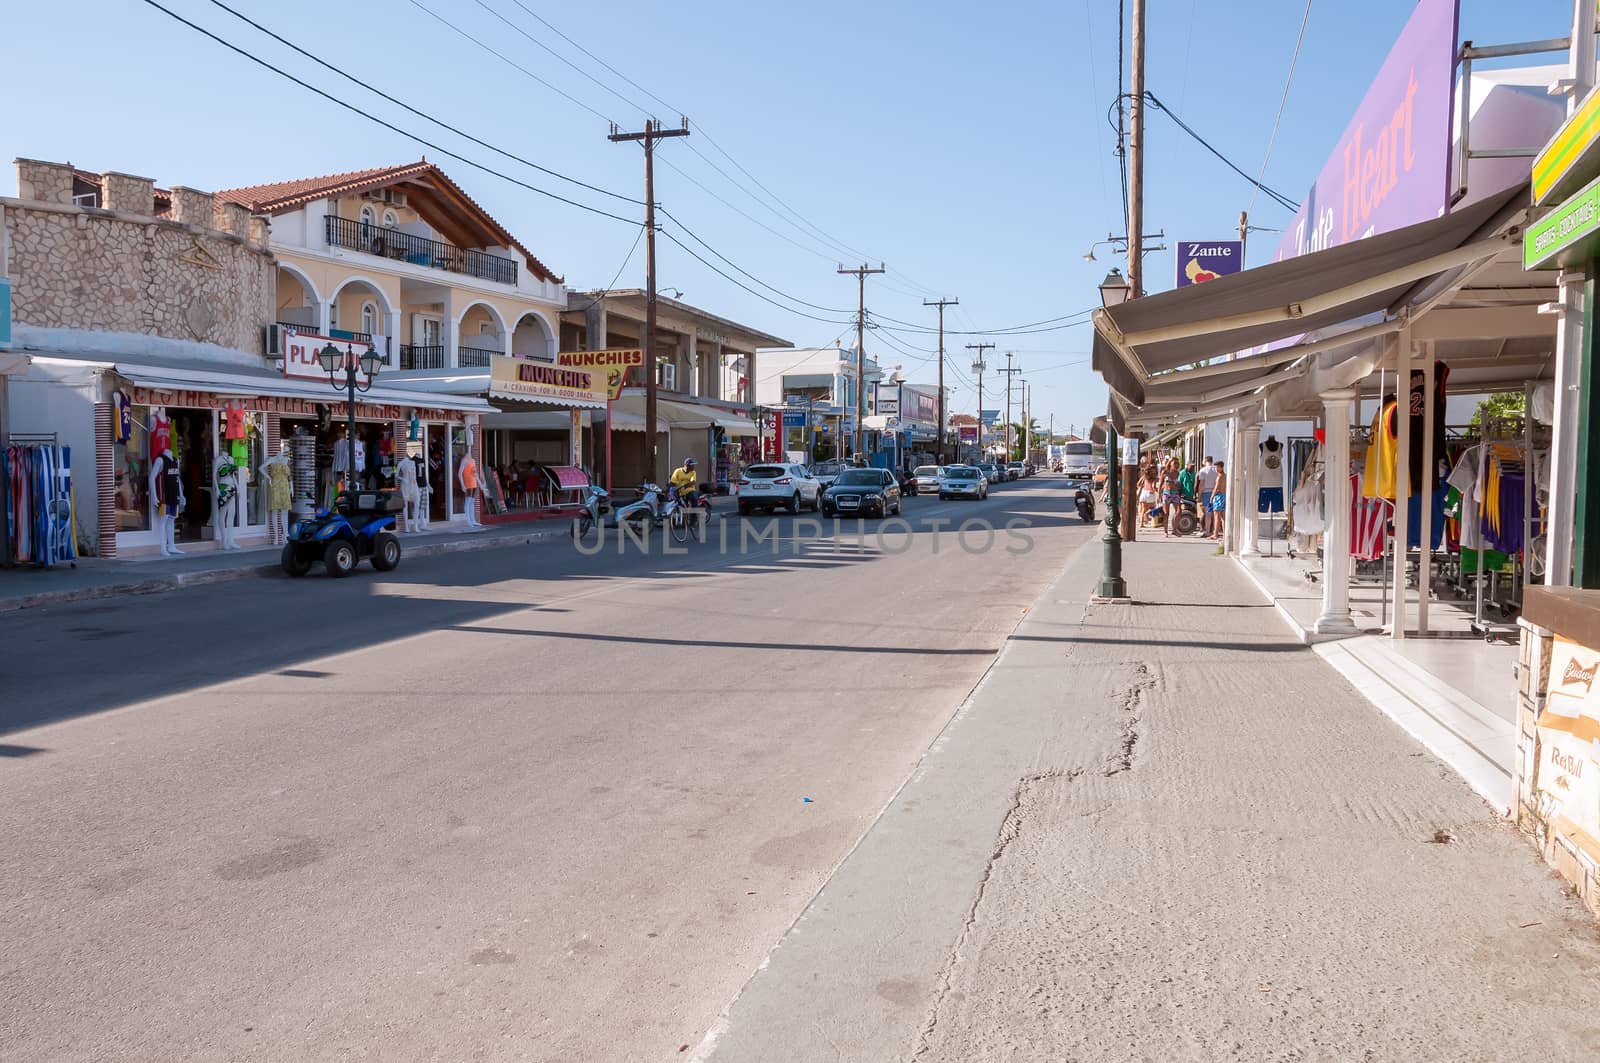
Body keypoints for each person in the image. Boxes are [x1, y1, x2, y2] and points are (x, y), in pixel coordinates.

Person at [1196, 456, 1219, 537]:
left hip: (1207, 493)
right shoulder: (1216, 470)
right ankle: (1215, 530)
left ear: (1204, 461)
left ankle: (1208, 530)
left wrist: (1199, 496)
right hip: (1216, 492)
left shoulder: (1203, 470)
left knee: (1208, 513)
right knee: (1215, 513)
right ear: (1212, 461)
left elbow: (1201, 484)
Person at [1209, 461, 1228, 541]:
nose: (1216, 469)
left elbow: (1216, 488)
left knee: (1217, 516)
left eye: (1217, 467)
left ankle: (1215, 534)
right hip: (1224, 495)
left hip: (1219, 496)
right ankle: (1224, 534)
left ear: (1221, 467)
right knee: (1223, 517)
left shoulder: (1220, 476)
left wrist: (1211, 497)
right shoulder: (1225, 476)